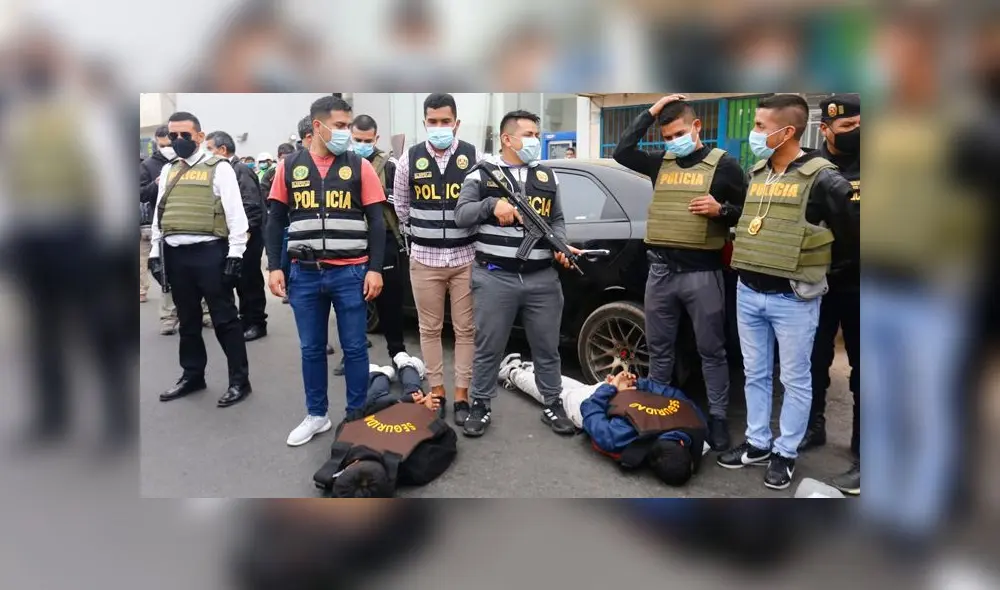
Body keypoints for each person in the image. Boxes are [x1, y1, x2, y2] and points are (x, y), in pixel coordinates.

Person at [717, 94, 858, 491]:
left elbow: (851, 236)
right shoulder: (758, 171)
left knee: (796, 379)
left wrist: (819, 269)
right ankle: (758, 442)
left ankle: (786, 452)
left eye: (761, 126)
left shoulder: (824, 177)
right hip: (749, 289)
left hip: (793, 297)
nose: (754, 133)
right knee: (756, 374)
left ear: (788, 131)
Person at [612, 94, 747, 451]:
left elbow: (749, 213)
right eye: (668, 136)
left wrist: (722, 211)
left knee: (711, 350)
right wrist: (652, 111)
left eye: (679, 133)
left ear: (697, 127)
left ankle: (717, 417)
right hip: (660, 272)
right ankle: (659, 408)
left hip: (701, 273)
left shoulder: (725, 165)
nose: (673, 141)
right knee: (659, 349)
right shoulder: (661, 162)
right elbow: (622, 152)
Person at [265, 95, 386, 447]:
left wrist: (375, 269)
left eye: (349, 125)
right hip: (304, 274)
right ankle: (317, 415)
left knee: (354, 348)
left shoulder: (359, 166)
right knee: (312, 349)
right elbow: (274, 221)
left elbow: (377, 222)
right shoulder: (289, 166)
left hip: (350, 273)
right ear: (318, 126)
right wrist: (275, 267)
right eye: (341, 125)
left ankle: (356, 416)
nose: (347, 132)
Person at [453, 109, 578, 438]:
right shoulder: (481, 174)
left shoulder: (548, 177)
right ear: (507, 139)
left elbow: (559, 220)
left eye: (537, 134)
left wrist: (560, 246)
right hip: (495, 276)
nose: (535, 141)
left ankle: (553, 402)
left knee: (547, 346)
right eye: (528, 135)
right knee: (488, 346)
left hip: (542, 278)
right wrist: (492, 207)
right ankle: (480, 404)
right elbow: (461, 214)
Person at [147, 111, 253, 408]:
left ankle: (239, 381)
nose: (178, 140)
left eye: (185, 135)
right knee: (188, 321)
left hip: (210, 254)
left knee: (225, 320)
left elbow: (237, 218)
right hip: (175, 254)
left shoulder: (220, 169)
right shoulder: (169, 170)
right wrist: (156, 254)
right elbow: (160, 214)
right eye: (173, 135)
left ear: (199, 135)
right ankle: (193, 375)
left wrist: (235, 256)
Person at [392, 93, 480, 425]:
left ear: (456, 123)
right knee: (429, 329)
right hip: (425, 260)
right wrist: (423, 235)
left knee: (466, 330)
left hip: (465, 257)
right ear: (424, 123)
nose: (439, 127)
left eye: (446, 121)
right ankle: (438, 390)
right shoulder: (409, 160)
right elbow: (401, 208)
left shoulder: (473, 157)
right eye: (433, 121)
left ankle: (462, 394)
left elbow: (482, 200)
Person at [500, 355, 708, 486]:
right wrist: (622, 388)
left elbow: (670, 393)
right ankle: (513, 372)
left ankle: (522, 369)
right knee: (559, 394)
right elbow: (590, 412)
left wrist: (623, 386)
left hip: (608, 396)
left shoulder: (693, 422)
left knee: (572, 391)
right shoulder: (625, 438)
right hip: (601, 400)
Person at [797, 94, 860, 496]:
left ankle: (865, 449)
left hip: (865, 283)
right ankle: (813, 427)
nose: (857, 133)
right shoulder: (810, 167)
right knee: (814, 361)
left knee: (865, 371)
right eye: (848, 128)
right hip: (819, 282)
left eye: (860, 125)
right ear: (826, 129)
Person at [312, 355, 458, 498]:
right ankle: (406, 365)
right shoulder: (417, 468)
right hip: (409, 412)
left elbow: (359, 413)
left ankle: (380, 374)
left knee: (378, 396)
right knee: (414, 393)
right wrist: (424, 410)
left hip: (385, 406)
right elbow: (448, 438)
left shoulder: (343, 448)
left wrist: (402, 402)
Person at [350, 114, 420, 382]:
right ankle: (353, 355)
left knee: (390, 300)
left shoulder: (389, 164)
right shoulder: (344, 164)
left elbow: (404, 199)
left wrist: (379, 195)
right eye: (357, 139)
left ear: (376, 139)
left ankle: (398, 352)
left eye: (367, 141)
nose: (361, 144)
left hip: (386, 237)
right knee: (352, 301)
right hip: (352, 240)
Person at [205, 130, 269, 341]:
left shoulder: (238, 170)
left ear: (222, 150)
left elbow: (251, 206)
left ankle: (257, 323)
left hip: (247, 237)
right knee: (237, 280)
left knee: (249, 281)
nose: (207, 155)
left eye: (210, 149)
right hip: (233, 237)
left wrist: (245, 234)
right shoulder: (222, 170)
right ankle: (245, 319)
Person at [140, 126, 173, 309]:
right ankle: (169, 315)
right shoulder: (148, 165)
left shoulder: (186, 162)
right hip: (160, 225)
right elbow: (141, 194)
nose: (167, 148)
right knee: (164, 271)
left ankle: (205, 313)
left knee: (194, 271)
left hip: (188, 224)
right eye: (162, 145)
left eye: (169, 144)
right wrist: (156, 184)